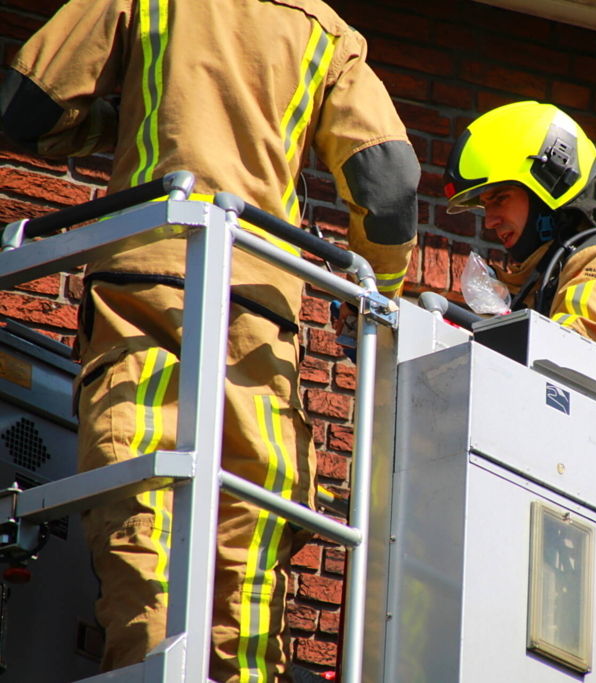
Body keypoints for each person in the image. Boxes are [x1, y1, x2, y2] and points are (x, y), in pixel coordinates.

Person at [0, 1, 419, 680]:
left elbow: (29, 105)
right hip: (259, 320)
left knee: (145, 531)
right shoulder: (326, 32)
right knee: (248, 563)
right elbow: (390, 187)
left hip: (145, 291)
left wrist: (117, 122)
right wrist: (380, 294)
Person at [443, 101, 596, 539]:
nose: (490, 220)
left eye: (500, 198)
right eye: (485, 205)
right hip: (573, 503)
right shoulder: (550, 274)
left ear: (550, 182)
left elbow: (571, 372)